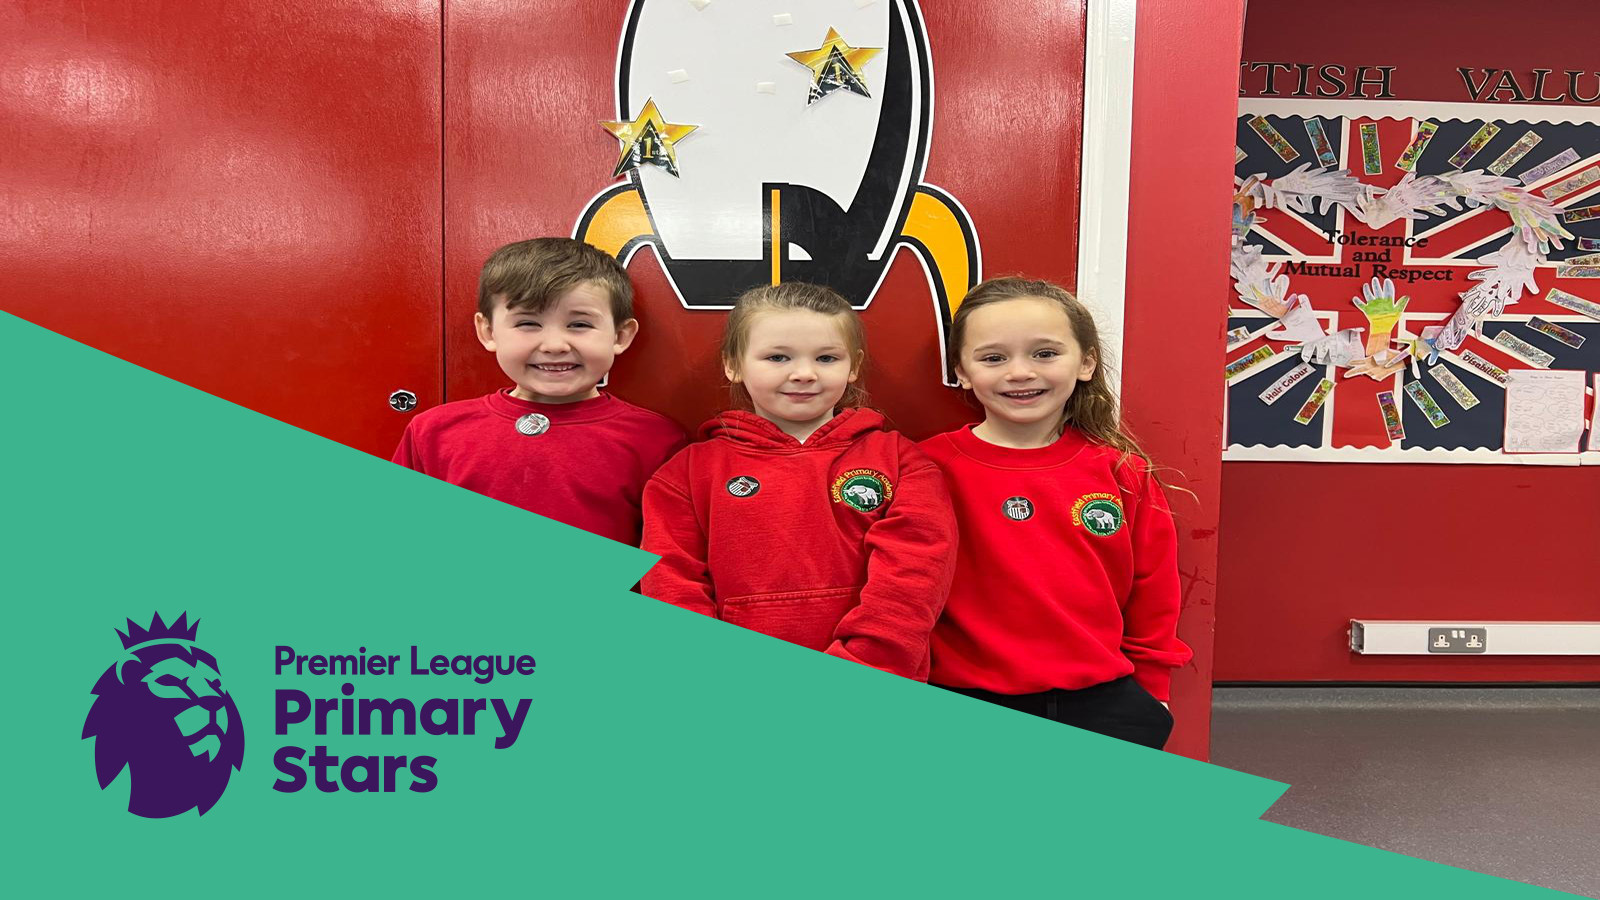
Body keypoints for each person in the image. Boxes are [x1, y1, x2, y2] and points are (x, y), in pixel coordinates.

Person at [920, 277, 1191, 748]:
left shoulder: (1122, 471)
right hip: (963, 694)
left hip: (1101, 702)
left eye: (1045, 353)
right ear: (961, 371)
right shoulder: (923, 468)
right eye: (993, 357)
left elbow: (1155, 589)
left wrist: (1153, 692)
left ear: (1085, 362)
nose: (1020, 372)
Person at [641, 282, 957, 680]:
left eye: (826, 358)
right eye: (777, 357)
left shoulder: (901, 461)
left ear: (853, 364)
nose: (804, 374)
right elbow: (671, 582)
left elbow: (914, 579)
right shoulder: (686, 473)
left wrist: (865, 665)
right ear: (733, 363)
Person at [393, 237, 685, 546]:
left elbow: (669, 558)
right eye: (529, 323)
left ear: (621, 335)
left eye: (580, 325)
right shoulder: (433, 432)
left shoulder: (657, 440)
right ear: (489, 332)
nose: (555, 346)